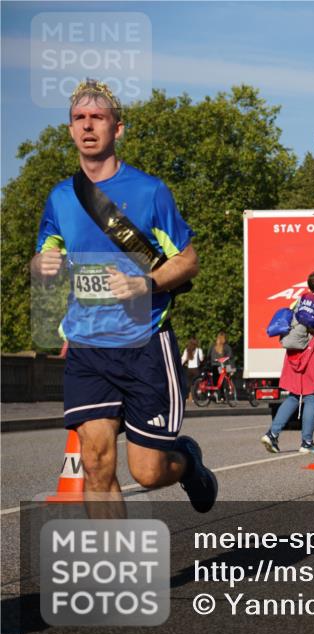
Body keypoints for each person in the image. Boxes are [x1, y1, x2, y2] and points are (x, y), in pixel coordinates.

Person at [30, 79, 215, 516]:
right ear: (70, 128)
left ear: (118, 129)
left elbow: (187, 261)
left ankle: (188, 463)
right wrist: (42, 266)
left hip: (144, 347)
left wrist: (146, 284)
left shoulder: (150, 192)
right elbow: (44, 254)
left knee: (148, 472)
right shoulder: (60, 197)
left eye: (98, 117)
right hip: (89, 347)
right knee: (95, 464)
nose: (88, 125)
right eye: (79, 118)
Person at [261, 271, 314, 453]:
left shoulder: (297, 302)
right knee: (312, 397)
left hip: (294, 353)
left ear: (309, 286)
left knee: (294, 395)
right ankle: (307, 442)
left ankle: (272, 434)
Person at [180, 336, 204, 402]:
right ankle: (195, 397)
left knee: (190, 384)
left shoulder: (186, 350)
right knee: (196, 383)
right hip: (196, 369)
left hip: (189, 369)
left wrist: (179, 366)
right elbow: (202, 359)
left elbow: (183, 359)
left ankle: (190, 397)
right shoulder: (199, 350)